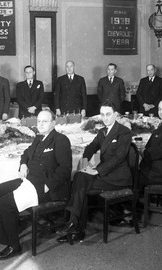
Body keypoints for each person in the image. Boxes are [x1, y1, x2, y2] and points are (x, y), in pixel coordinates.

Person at [0, 109, 72, 260]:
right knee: (0, 189)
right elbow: (26, 154)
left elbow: (65, 169)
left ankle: (13, 245)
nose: (40, 124)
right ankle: (6, 227)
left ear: (53, 123)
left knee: (6, 203)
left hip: (45, 187)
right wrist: (23, 165)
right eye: (39, 121)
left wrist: (48, 185)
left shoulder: (60, 140)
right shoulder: (38, 138)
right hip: (30, 180)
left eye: (45, 121)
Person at [57, 101, 132, 243]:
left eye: (108, 114)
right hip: (106, 174)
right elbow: (91, 147)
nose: (105, 118)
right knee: (80, 178)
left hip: (117, 177)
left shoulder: (124, 132)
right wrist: (85, 161)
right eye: (103, 115)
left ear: (115, 114)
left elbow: (118, 157)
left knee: (80, 181)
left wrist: (97, 170)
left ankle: (75, 226)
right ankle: (75, 226)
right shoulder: (102, 131)